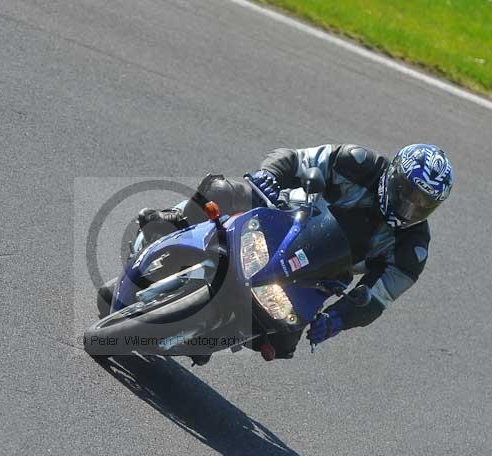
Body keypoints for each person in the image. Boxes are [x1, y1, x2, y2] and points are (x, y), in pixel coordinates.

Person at [124, 143, 455, 361]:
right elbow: (297, 159)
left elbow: (377, 297)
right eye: (407, 193)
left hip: (314, 274)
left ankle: (213, 334)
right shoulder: (357, 162)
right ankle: (175, 219)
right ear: (393, 175)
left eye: (424, 204)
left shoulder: (413, 249)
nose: (411, 206)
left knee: (283, 341)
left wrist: (339, 318)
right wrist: (270, 176)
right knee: (224, 190)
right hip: (283, 215)